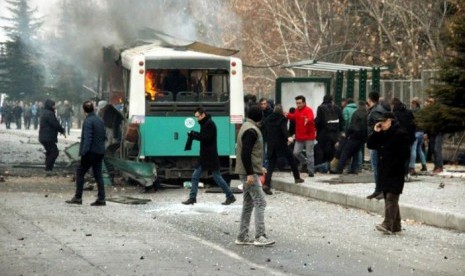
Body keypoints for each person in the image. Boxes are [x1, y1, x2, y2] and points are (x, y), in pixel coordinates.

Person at [235, 105, 275, 246]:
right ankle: (260, 236)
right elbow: (246, 153)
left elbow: (249, 153)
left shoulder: (245, 127)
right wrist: (251, 173)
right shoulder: (252, 131)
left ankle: (242, 236)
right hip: (248, 173)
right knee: (260, 202)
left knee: (248, 203)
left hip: (246, 171)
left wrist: (258, 167)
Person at [367, 112, 410, 234]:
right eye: (381, 121)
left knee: (392, 196)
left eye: (384, 121)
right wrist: (375, 132)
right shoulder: (383, 133)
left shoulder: (400, 133)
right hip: (384, 170)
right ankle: (396, 225)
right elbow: (371, 145)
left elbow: (406, 153)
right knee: (389, 196)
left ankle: (387, 224)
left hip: (396, 170)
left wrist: (398, 165)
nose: (382, 123)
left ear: (390, 120)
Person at [182, 107, 236, 205]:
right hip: (206, 156)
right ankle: (193, 197)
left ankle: (230, 196)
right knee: (198, 176)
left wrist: (193, 135)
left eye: (197, 116)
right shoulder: (206, 123)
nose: (196, 119)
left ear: (203, 115)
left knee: (216, 177)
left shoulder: (209, 124)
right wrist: (194, 134)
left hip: (209, 156)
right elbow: (204, 137)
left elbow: (206, 138)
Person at [66, 101, 107, 206]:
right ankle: (101, 198)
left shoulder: (88, 121)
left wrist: (83, 153)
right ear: (93, 108)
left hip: (90, 152)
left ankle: (78, 197)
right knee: (98, 175)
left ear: (84, 110)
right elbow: (104, 136)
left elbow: (88, 139)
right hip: (100, 151)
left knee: (80, 173)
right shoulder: (100, 120)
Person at [262, 104, 304, 195]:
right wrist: (288, 137)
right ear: (281, 111)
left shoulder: (268, 119)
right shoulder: (282, 118)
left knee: (271, 166)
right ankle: (297, 178)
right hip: (281, 144)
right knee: (292, 159)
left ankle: (266, 184)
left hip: (271, 145)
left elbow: (264, 130)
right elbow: (284, 129)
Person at [365, 92, 389, 199]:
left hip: (376, 144)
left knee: (377, 167)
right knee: (377, 167)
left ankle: (380, 190)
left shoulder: (376, 111)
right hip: (377, 143)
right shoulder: (377, 109)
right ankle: (378, 189)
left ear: (370, 99)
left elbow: (380, 127)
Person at [286, 95, 316, 177]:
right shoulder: (296, 110)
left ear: (304, 103)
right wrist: (287, 115)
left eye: (299, 103)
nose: (298, 105)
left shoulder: (308, 110)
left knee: (310, 153)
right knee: (296, 152)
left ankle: (311, 171)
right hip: (299, 136)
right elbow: (293, 117)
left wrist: (308, 120)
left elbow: (311, 118)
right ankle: (305, 162)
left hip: (309, 136)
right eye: (297, 103)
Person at [334, 100, 368, 174]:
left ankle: (339, 169)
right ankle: (354, 169)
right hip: (362, 137)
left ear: (359, 105)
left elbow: (352, 126)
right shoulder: (366, 114)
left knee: (345, 152)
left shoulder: (356, 113)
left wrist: (347, 134)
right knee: (355, 152)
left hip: (354, 136)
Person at [315, 95, 343, 172]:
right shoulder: (337, 108)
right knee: (333, 151)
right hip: (335, 134)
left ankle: (322, 168)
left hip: (323, 134)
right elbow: (341, 120)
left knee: (321, 151)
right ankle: (332, 168)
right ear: (331, 100)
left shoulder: (320, 108)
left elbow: (318, 122)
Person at [39, 99, 66, 176]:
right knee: (54, 152)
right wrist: (62, 130)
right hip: (48, 137)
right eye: (53, 105)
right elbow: (55, 124)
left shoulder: (45, 112)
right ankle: (48, 169)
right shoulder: (50, 114)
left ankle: (48, 168)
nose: (54, 106)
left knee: (49, 152)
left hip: (44, 137)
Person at [409, 97, 427, 173]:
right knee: (419, 149)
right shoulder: (422, 112)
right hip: (422, 132)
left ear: (414, 103)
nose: (411, 105)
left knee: (413, 149)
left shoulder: (413, 112)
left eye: (412, 103)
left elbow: (412, 122)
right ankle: (424, 165)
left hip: (416, 132)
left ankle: (412, 167)